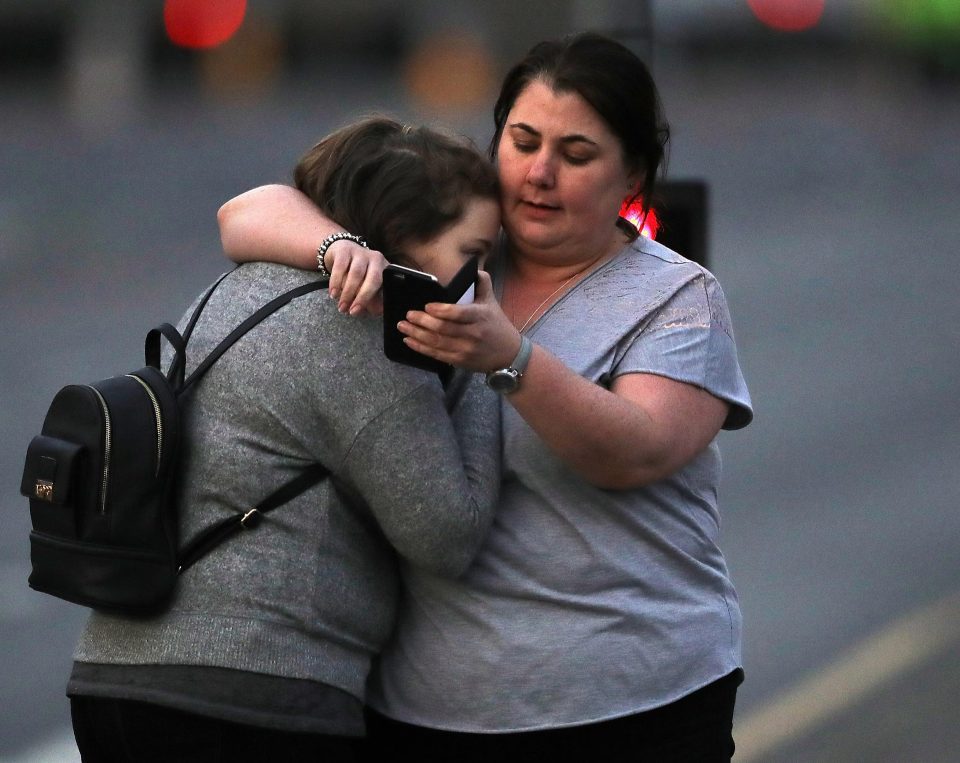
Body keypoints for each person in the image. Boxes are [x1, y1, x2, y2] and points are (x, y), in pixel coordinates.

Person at [218, 32, 753, 762]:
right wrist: (335, 246)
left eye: (576, 154)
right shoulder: (449, 243)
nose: (539, 173)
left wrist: (513, 359)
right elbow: (248, 211)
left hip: (634, 703)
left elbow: (638, 450)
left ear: (632, 175)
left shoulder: (678, 295)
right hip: (424, 710)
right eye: (523, 140)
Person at [66, 117, 502, 762]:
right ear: (406, 243)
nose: (484, 278)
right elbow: (446, 536)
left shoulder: (236, 286)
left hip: (113, 676)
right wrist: (484, 364)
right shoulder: (360, 337)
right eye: (475, 254)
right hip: (252, 697)